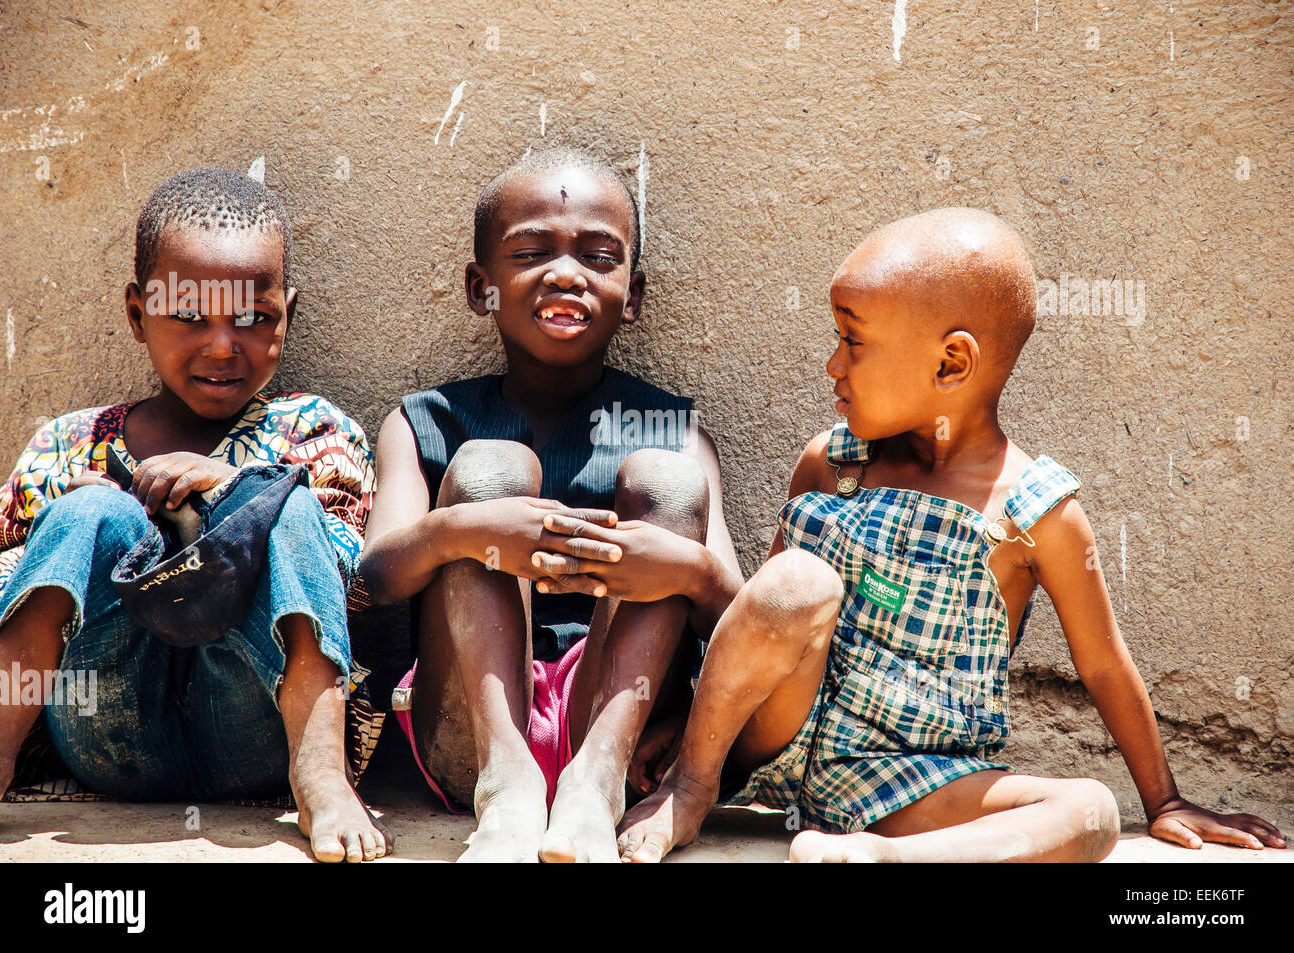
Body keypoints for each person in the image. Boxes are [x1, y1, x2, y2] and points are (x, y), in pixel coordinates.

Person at [611, 207, 1288, 862]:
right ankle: (690, 792)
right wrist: (698, 739)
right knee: (796, 580)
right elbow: (760, 623)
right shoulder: (833, 462)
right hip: (776, 745)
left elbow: (1104, 662)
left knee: (1090, 812)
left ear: (951, 364)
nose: (832, 367)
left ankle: (883, 856)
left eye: (852, 341)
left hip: (913, 779)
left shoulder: (1037, 512)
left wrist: (1165, 799)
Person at [0, 168, 389, 863]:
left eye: (253, 318)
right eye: (188, 315)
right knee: (88, 510)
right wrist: (91, 519)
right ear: (137, 312)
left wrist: (240, 491)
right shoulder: (69, 442)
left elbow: (343, 576)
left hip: (260, 723)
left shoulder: (315, 432)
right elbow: (4, 581)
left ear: (286, 313)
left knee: (284, 496)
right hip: (109, 726)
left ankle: (322, 775)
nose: (220, 345)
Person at [359, 148, 743, 862]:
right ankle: (508, 789)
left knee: (672, 480)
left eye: (599, 257)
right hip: (470, 730)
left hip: (620, 727)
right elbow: (371, 580)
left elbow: (738, 619)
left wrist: (682, 567)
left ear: (632, 296)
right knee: (487, 469)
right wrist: (466, 529)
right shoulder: (428, 421)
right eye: (532, 252)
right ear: (483, 288)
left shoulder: (674, 430)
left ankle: (592, 790)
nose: (567, 273)